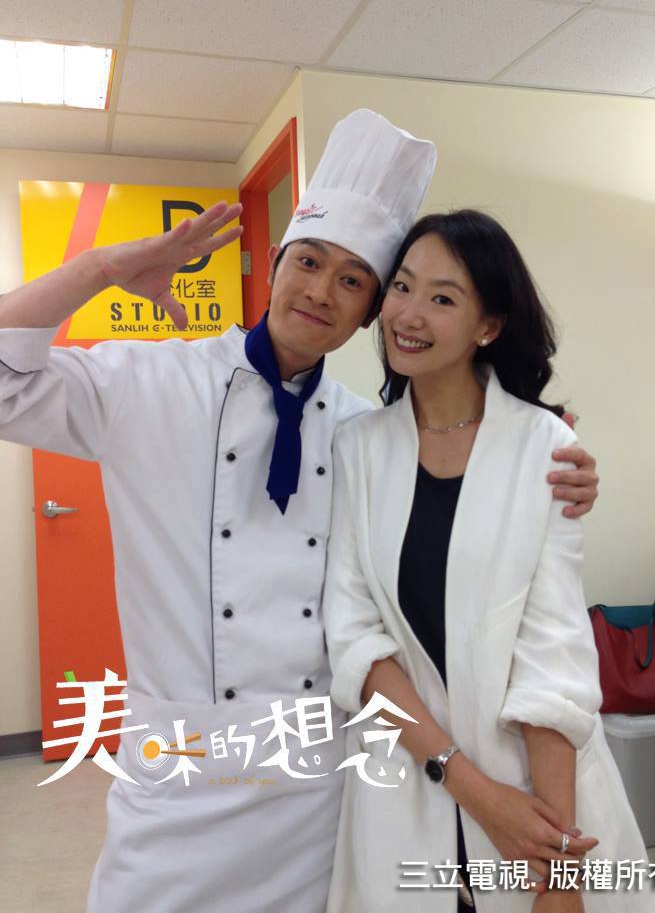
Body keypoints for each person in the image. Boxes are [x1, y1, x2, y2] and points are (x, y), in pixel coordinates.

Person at [0, 113, 598, 913]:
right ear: (275, 265)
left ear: (369, 314)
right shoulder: (150, 384)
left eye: (352, 281)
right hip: (180, 773)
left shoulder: (362, 433)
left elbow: (453, 519)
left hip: (317, 782)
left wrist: (551, 463)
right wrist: (101, 267)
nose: (320, 291)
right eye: (308, 261)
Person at [323, 210, 655, 913]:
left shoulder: (545, 448)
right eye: (402, 287)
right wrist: (473, 789)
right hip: (407, 787)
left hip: (543, 798)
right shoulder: (357, 450)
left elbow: (552, 658)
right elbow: (355, 639)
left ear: (489, 326)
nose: (409, 315)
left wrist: (558, 874)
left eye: (443, 298)